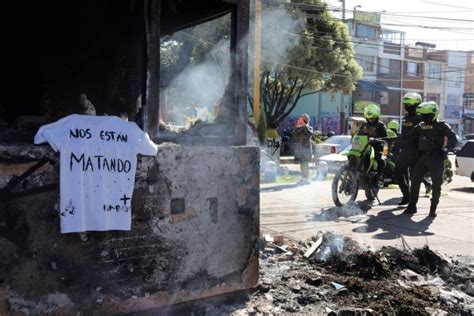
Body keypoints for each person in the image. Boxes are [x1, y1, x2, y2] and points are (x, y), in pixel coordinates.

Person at [403, 101, 457, 217]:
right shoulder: (420, 126)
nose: (424, 117)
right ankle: (412, 206)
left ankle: (433, 209)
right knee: (415, 181)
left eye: (426, 115)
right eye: (423, 115)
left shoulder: (442, 125)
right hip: (422, 157)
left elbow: (453, 139)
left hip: (436, 158)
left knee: (437, 184)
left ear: (433, 114)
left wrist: (446, 150)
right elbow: (410, 138)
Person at [395, 92, 431, 206]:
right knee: (397, 172)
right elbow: (403, 134)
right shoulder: (405, 118)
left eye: (409, 104)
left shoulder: (421, 117)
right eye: (405, 104)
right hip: (406, 150)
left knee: (415, 177)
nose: (406, 106)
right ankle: (406, 195)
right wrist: (396, 146)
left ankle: (412, 202)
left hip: (417, 151)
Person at [357, 104, 387, 182]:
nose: (371, 120)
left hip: (377, 148)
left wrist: (378, 139)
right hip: (364, 147)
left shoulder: (380, 125)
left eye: (372, 118)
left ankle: (378, 179)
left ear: (376, 117)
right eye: (369, 118)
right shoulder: (364, 124)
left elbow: (385, 137)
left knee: (381, 161)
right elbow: (359, 134)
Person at [293, 114, 313, 185]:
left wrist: (304, 126)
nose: (304, 120)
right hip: (300, 149)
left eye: (305, 119)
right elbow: (294, 133)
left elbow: (309, 134)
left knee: (305, 164)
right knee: (302, 164)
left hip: (306, 149)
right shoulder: (299, 128)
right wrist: (298, 126)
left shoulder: (309, 128)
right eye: (303, 119)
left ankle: (306, 178)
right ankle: (303, 178)